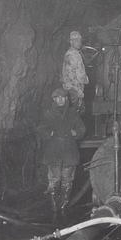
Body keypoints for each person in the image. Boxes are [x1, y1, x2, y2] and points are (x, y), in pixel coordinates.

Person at [37, 87, 86, 222]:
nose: (60, 100)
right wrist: (49, 134)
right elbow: (40, 129)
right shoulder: (48, 114)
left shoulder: (73, 113)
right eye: (57, 98)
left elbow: (82, 129)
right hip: (54, 151)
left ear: (66, 99)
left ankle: (64, 205)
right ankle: (54, 206)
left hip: (69, 150)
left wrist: (76, 133)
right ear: (54, 99)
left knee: (67, 179)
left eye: (63, 97)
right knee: (54, 179)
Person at [61, 31, 89, 112]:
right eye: (76, 40)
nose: (79, 42)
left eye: (80, 40)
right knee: (74, 114)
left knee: (74, 114)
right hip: (74, 91)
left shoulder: (72, 53)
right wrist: (79, 90)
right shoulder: (73, 55)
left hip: (73, 89)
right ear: (71, 42)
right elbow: (75, 76)